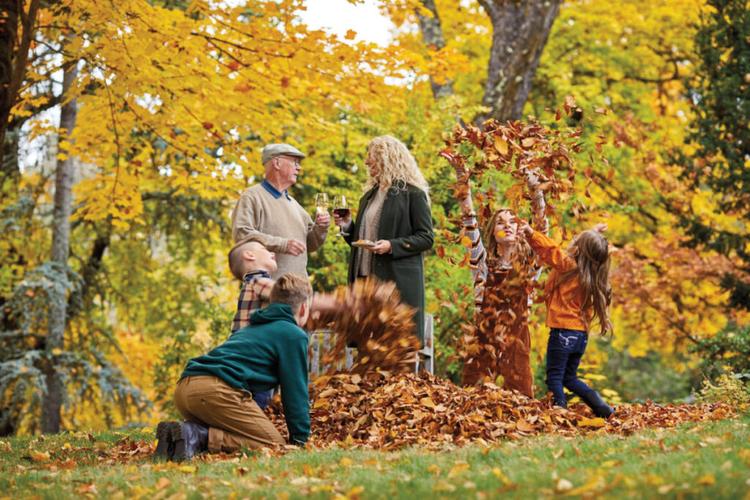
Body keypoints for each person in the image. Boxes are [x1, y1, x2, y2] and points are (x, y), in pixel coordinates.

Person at [154, 274, 313, 461]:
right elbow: (295, 393)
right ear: (303, 308)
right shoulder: (293, 334)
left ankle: (177, 439)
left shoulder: (252, 328)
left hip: (185, 390)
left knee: (244, 432)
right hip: (215, 392)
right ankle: (198, 436)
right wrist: (300, 441)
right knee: (274, 445)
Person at [445, 152, 547, 397]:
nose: (508, 225)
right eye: (501, 222)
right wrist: (462, 180)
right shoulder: (482, 263)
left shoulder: (529, 266)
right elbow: (469, 220)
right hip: (484, 336)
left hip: (517, 339)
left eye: (513, 221)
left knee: (520, 395)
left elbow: (542, 229)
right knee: (474, 394)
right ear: (492, 233)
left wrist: (536, 190)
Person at [334, 136, 434, 345]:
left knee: (394, 348)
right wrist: (347, 226)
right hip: (363, 284)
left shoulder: (413, 195)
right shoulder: (368, 196)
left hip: (393, 285)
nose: (367, 162)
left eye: (371, 156)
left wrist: (392, 246)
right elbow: (362, 241)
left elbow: (426, 237)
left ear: (386, 158)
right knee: (365, 347)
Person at [227, 236, 339, 409]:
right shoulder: (256, 281)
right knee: (254, 405)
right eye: (265, 250)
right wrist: (336, 304)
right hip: (249, 357)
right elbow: (293, 297)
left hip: (252, 358)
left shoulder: (260, 285)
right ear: (250, 255)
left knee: (258, 402)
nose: (272, 252)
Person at [519, 221, 615, 418]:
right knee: (569, 378)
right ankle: (601, 406)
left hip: (562, 332)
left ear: (579, 250)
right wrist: (592, 233)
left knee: (554, 377)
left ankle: (559, 413)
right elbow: (579, 249)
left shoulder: (569, 266)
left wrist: (531, 233)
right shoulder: (593, 275)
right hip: (580, 336)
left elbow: (551, 250)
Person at [231, 143, 330, 279]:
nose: (299, 168)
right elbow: (242, 233)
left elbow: (310, 245)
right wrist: (282, 244)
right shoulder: (252, 196)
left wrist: (321, 228)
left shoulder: (296, 205)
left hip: (300, 292)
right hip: (269, 291)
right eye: (295, 162)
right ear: (277, 163)